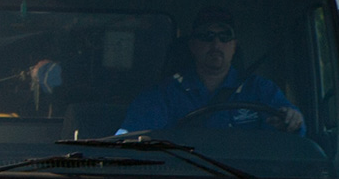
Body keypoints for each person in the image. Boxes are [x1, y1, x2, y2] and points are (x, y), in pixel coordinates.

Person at [118, 8, 303, 134]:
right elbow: (129, 144)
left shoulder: (262, 91)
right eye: (207, 37)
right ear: (192, 45)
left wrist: (294, 121)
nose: (216, 44)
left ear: (234, 46)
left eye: (224, 37)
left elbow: (296, 135)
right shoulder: (162, 96)